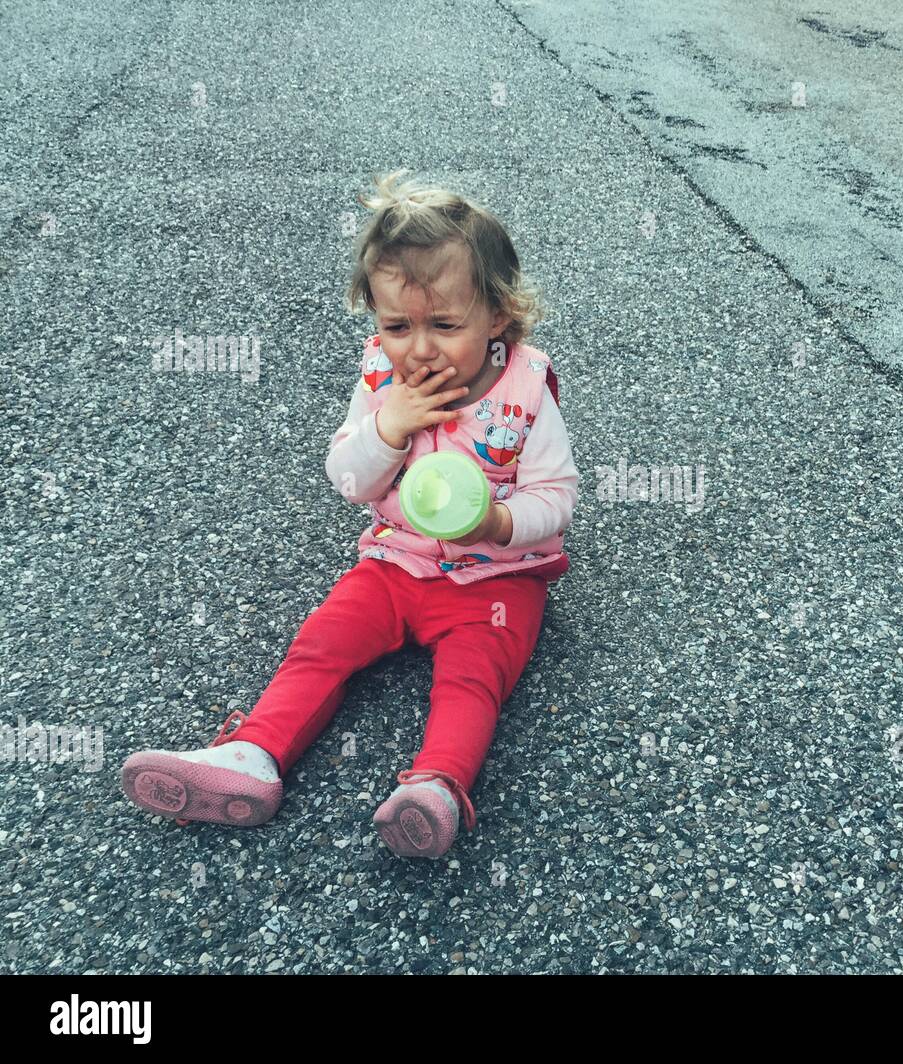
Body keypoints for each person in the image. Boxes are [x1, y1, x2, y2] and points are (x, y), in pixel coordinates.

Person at [120, 169, 579, 859]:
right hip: (395, 561)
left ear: (498, 316)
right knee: (321, 643)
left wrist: (499, 524)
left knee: (474, 675)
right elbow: (346, 477)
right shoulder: (382, 381)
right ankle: (253, 753)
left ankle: (436, 787)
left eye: (445, 325)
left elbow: (557, 492)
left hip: (498, 578)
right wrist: (388, 428)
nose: (418, 347)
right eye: (397, 325)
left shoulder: (522, 390)